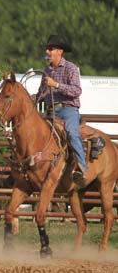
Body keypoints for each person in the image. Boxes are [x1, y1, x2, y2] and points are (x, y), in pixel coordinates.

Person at [35, 34, 88, 189]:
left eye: (50, 49)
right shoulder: (47, 71)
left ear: (60, 51)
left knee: (72, 133)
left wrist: (56, 85)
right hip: (51, 111)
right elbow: (41, 94)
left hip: (68, 110)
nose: (47, 52)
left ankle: (82, 168)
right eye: (47, 49)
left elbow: (77, 90)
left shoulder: (70, 68)